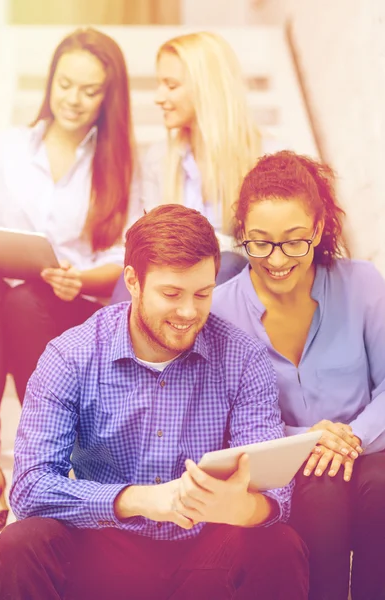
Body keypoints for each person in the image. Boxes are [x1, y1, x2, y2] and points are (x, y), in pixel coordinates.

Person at [0, 205, 308, 600]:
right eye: (171, 294)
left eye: (203, 293)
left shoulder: (243, 357)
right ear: (133, 282)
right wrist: (140, 499)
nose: (189, 312)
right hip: (104, 548)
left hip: (204, 554)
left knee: (280, 546)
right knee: (19, 545)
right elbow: (30, 489)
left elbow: (277, 498)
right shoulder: (70, 355)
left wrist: (237, 507)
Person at [0, 27, 141, 534]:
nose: (74, 100)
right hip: (13, 303)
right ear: (50, 82)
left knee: (22, 302)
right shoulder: (6, 149)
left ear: (109, 96)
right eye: (66, 85)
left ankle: (46, 452)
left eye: (90, 90)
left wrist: (81, 275)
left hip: (77, 308)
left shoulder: (124, 158)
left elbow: (129, 253)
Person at [212, 151, 385, 600]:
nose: (277, 259)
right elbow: (223, 417)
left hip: (368, 450)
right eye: (260, 242)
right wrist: (310, 439)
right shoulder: (219, 311)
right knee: (320, 493)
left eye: (294, 241)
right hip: (285, 466)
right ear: (242, 236)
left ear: (319, 229)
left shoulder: (363, 284)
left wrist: (350, 438)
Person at [111, 31, 260, 302]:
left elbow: (264, 247)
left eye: (171, 85)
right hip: (171, 275)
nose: (158, 97)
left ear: (206, 88)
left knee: (224, 265)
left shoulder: (264, 158)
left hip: (230, 279)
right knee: (132, 279)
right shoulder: (159, 159)